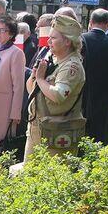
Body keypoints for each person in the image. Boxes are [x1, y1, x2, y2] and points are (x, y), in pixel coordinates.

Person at [25, 13, 87, 156]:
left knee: (53, 170)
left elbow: (58, 95)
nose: (49, 42)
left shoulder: (72, 66)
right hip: (37, 128)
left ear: (67, 41)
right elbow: (31, 91)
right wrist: (34, 77)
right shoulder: (54, 61)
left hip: (57, 133)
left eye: (53, 38)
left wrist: (40, 79)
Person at [0, 16, 26, 162]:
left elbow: (18, 85)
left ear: (11, 34)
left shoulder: (16, 53)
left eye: (2, 30)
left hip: (4, 106)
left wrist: (15, 112)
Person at [81, 8, 108, 144]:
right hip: (103, 95)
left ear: (91, 22)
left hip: (82, 91)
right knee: (100, 131)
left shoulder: (81, 40)